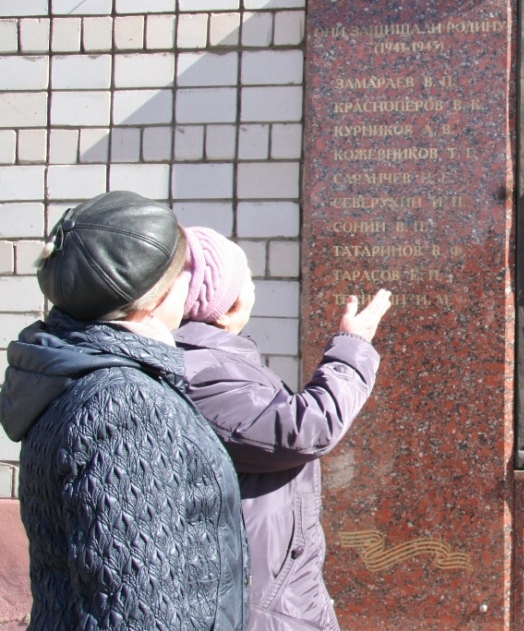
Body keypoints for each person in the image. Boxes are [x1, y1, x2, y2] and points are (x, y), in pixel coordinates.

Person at [0, 191, 248, 629]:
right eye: (186, 271)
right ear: (154, 298)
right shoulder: (125, 404)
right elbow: (136, 607)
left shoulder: (80, 369)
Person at [172, 227, 391, 631]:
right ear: (223, 306)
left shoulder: (211, 361)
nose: (255, 286)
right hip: (257, 602)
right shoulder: (201, 371)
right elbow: (305, 429)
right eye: (248, 278)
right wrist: (352, 347)